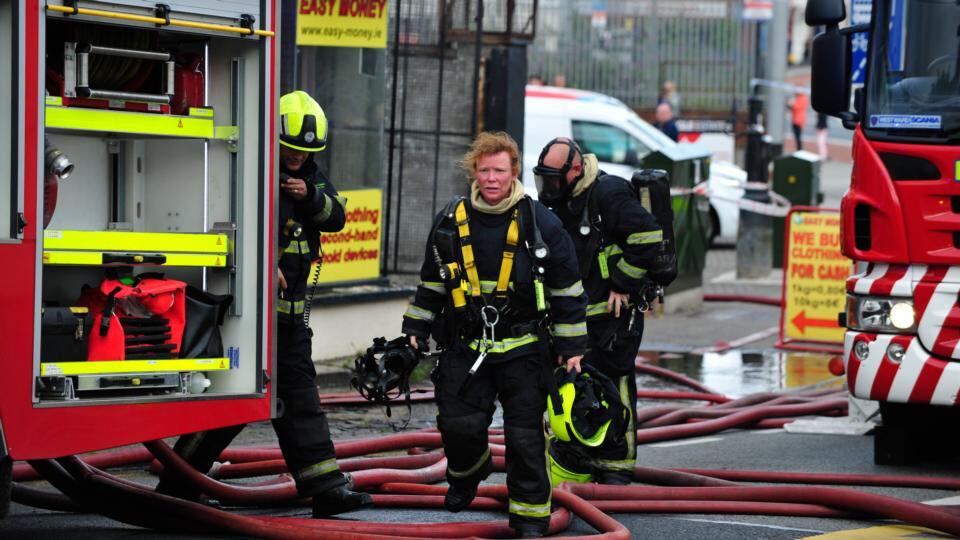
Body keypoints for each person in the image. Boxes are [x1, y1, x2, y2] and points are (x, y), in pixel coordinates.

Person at [157, 90, 372, 518]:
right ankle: (176, 483)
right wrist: (259, 265)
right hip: (247, 317)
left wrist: (309, 194)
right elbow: (228, 223)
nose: (296, 157)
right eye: (290, 149)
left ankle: (325, 487)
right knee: (232, 400)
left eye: (304, 152)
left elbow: (336, 215)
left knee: (298, 398)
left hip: (288, 323)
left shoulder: (311, 177)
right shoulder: (251, 173)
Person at [401, 132, 588, 538]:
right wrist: (414, 329)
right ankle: (467, 473)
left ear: (514, 172)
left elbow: (567, 288)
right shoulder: (451, 220)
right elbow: (432, 283)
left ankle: (530, 518)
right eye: (483, 170)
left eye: (499, 171)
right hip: (467, 346)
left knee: (524, 438)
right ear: (474, 171)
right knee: (457, 424)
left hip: (523, 350)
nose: (490, 178)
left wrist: (572, 347)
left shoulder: (541, 223)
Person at [533, 137, 677, 486]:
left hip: (615, 317)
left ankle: (617, 466)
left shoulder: (608, 194)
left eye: (554, 179)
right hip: (581, 318)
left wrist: (622, 283)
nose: (548, 187)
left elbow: (648, 237)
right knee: (580, 388)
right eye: (544, 179)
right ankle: (582, 458)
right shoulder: (566, 201)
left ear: (576, 169)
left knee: (616, 386)